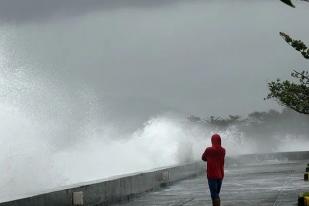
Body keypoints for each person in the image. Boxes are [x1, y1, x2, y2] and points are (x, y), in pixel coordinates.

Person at [202, 134, 226, 206]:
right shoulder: (223, 150)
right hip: (220, 175)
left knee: (214, 195)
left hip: (212, 175)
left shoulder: (208, 150)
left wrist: (209, 159)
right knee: (216, 194)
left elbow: (203, 158)